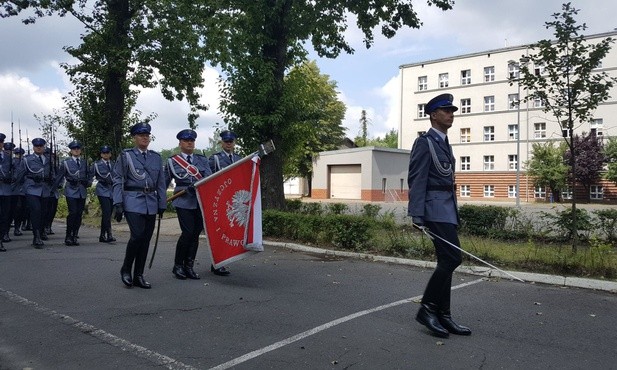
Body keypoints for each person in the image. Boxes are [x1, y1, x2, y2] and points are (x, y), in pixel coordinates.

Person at [407, 93, 471, 339]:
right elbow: (417, 178)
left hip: (446, 209)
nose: (451, 114)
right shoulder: (425, 143)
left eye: (452, 110)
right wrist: (417, 214)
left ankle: (444, 315)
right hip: (433, 209)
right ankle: (427, 308)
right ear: (433, 115)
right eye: (446, 110)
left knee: (447, 260)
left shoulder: (444, 142)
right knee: (452, 258)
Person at [112, 122, 167, 289]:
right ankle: (126, 269)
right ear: (134, 137)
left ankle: (139, 275)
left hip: (150, 202)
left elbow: (161, 183)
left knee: (145, 240)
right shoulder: (126, 156)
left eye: (147, 135)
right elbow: (117, 179)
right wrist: (118, 202)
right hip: (132, 201)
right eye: (141, 135)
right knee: (137, 236)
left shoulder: (156, 157)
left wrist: (162, 203)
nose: (145, 138)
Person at [165, 129, 212, 280]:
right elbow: (164, 183)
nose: (189, 143)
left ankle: (189, 266)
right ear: (180, 143)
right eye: (186, 141)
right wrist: (159, 202)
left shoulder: (202, 160)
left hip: (200, 200)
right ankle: (178, 265)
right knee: (187, 233)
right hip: (183, 200)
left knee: (196, 233)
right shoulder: (173, 161)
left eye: (192, 140)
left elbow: (209, 177)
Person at [207, 129, 241, 276]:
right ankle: (216, 262)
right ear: (221, 143)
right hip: (220, 202)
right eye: (226, 141)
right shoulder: (214, 159)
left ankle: (223, 261)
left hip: (233, 202)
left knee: (229, 232)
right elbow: (209, 181)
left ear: (234, 143)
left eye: (231, 141)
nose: (228, 144)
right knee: (219, 233)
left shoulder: (239, 159)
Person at [15, 138, 53, 248]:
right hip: (31, 188)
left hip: (45, 189)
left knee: (43, 212)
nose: (39, 147)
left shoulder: (48, 159)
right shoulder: (27, 159)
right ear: (33, 147)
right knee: (36, 210)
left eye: (41, 145)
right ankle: (36, 236)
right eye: (37, 146)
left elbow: (53, 173)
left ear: (43, 147)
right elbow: (20, 174)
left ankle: (40, 232)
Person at [54, 141, 93, 246]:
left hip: (82, 190)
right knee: (73, 212)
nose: (76, 150)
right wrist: (54, 188)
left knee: (79, 214)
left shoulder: (85, 162)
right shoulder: (66, 163)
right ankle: (68, 235)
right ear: (71, 151)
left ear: (80, 150)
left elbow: (90, 174)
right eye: (74, 149)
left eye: (78, 148)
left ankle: (75, 235)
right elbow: (60, 176)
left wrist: (89, 182)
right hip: (71, 190)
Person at [92, 145, 116, 243]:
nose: (106, 155)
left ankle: (102, 235)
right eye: (104, 153)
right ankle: (109, 234)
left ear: (110, 154)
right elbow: (91, 175)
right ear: (101, 154)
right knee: (106, 212)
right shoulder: (96, 164)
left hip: (112, 190)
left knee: (108, 213)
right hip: (102, 189)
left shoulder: (114, 164)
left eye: (107, 153)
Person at [10, 147, 26, 237]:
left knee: (22, 209)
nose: (18, 156)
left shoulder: (25, 162)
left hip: (24, 188)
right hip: (14, 188)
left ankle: (18, 227)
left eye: (19, 154)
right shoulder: (11, 162)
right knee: (16, 208)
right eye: (17, 154)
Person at [0, 134, 11, 251]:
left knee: (4, 216)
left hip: (6, 190)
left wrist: (12, 178)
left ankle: (1, 239)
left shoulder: (8, 157)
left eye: (1, 141)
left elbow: (16, 170)